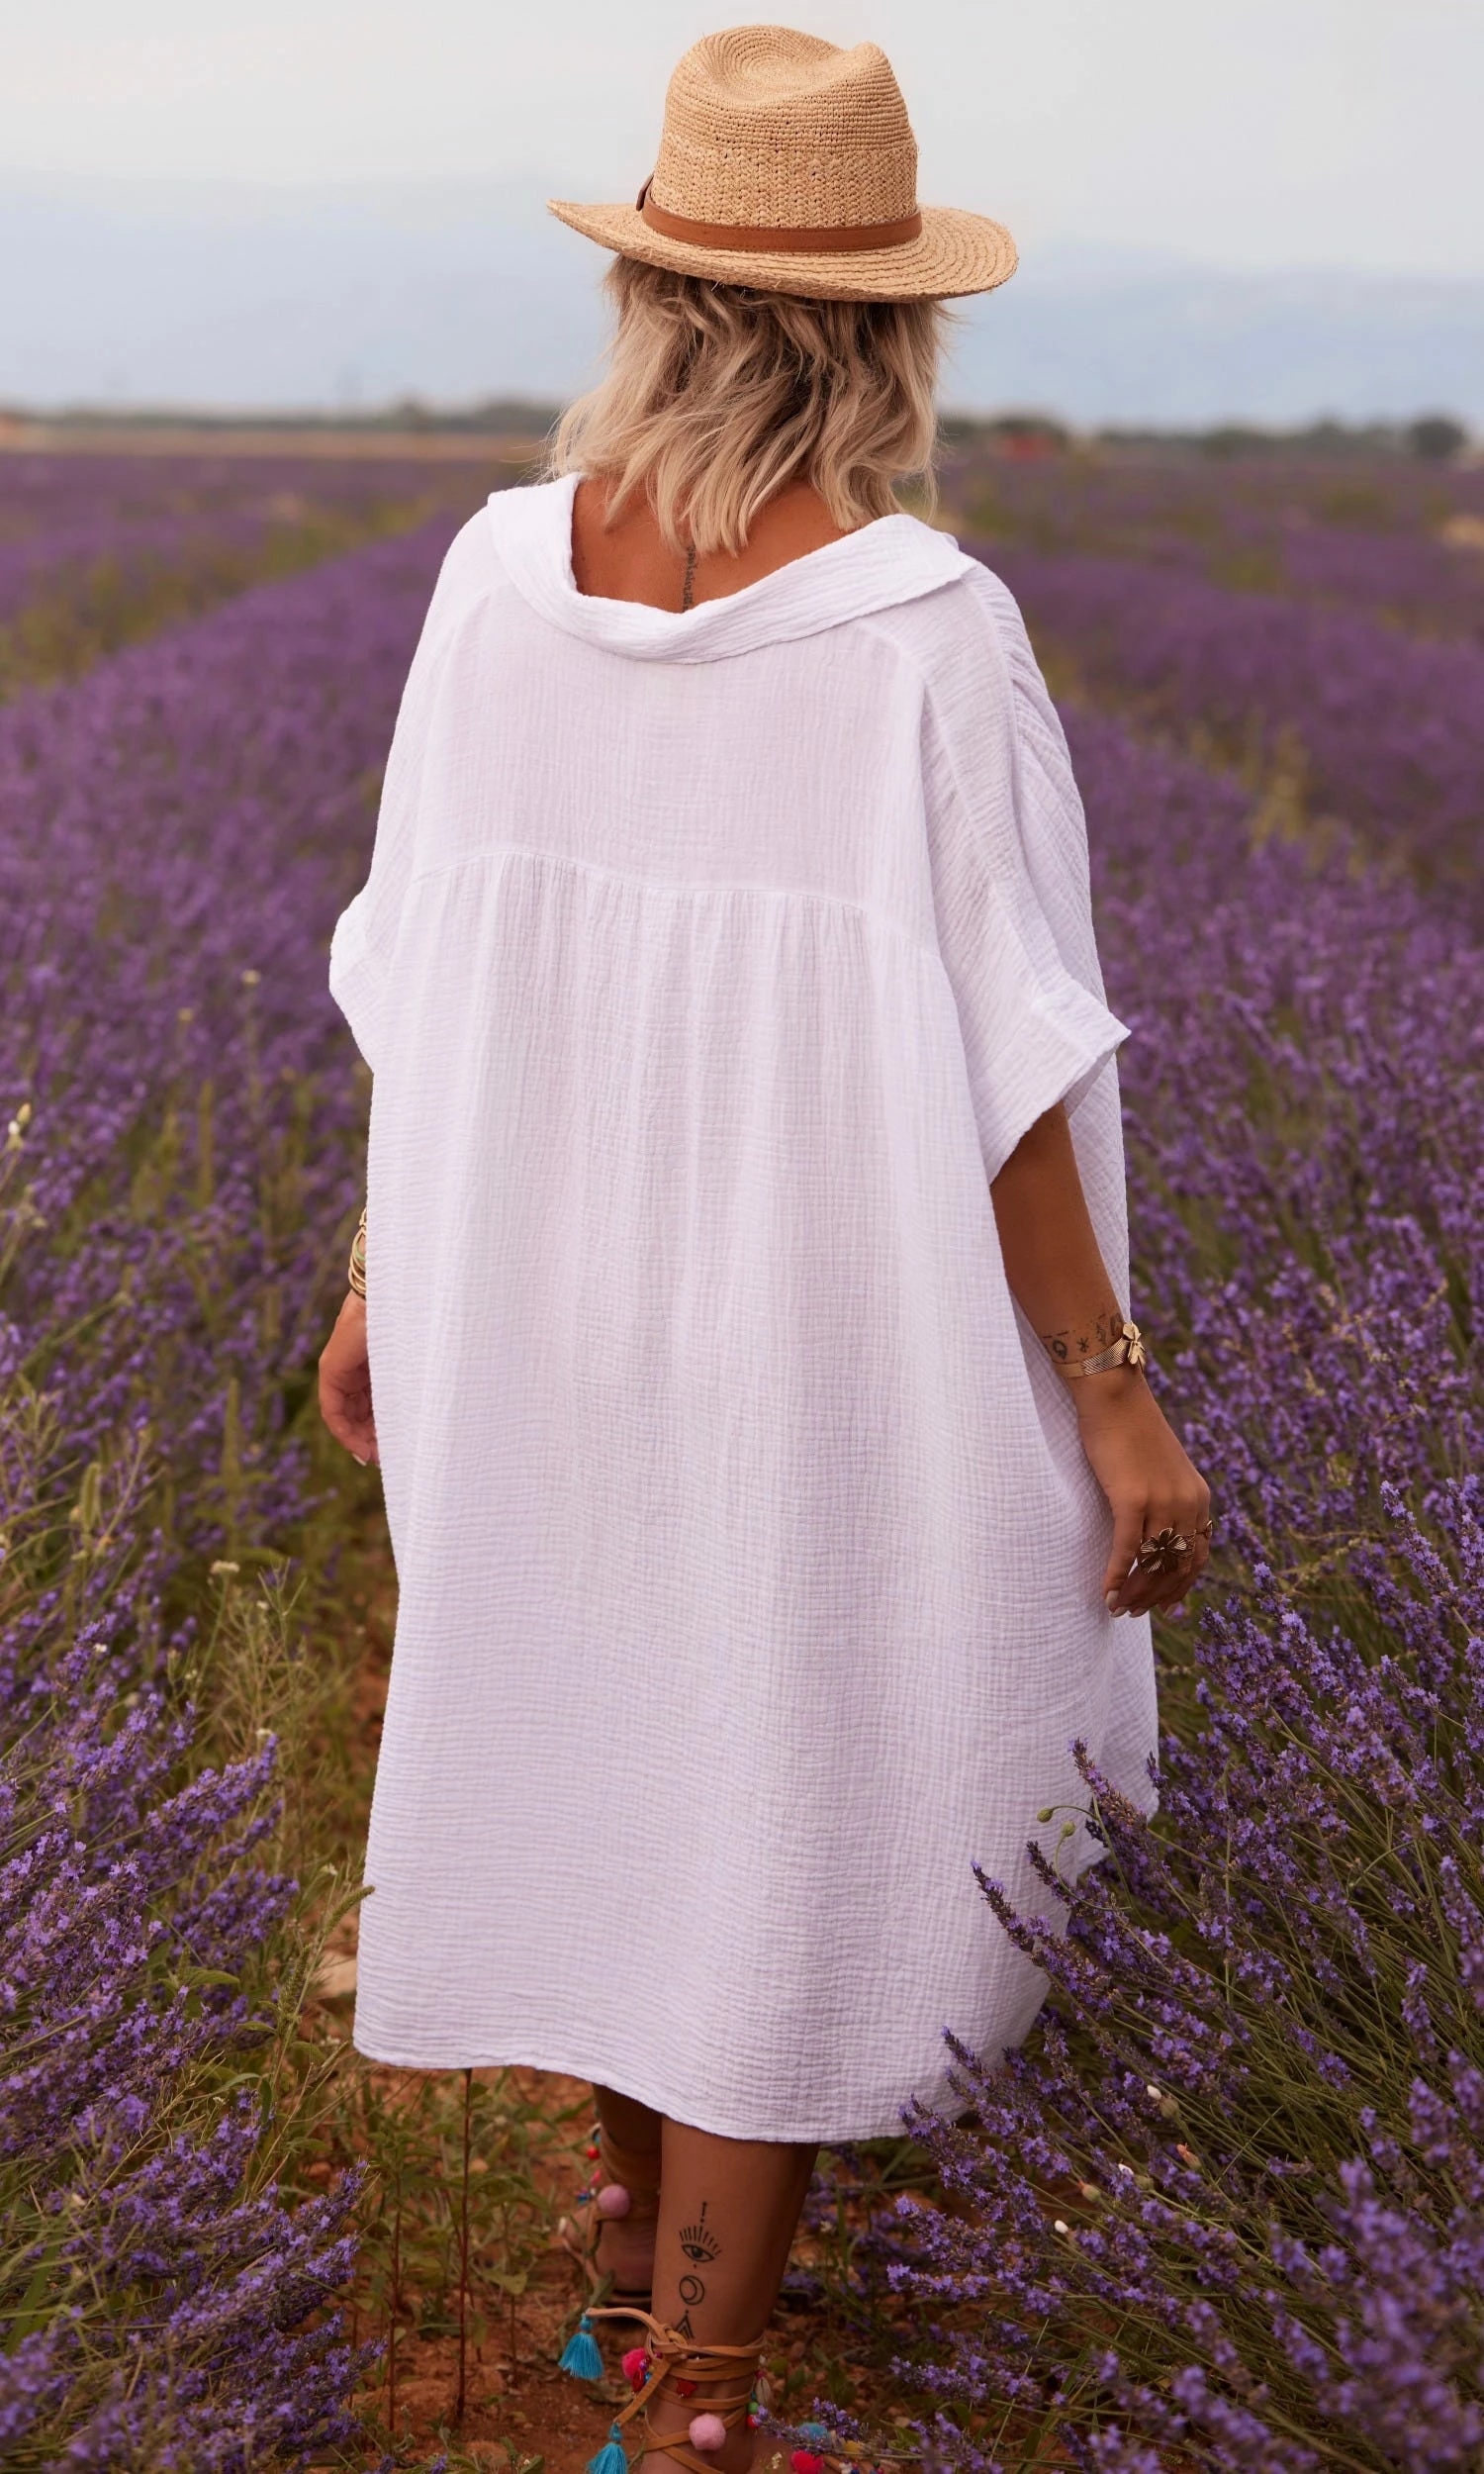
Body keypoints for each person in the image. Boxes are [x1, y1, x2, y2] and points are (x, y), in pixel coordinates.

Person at [318, 26, 1210, 2473]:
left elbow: (413, 964)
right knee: (787, 1798)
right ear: (888, 332)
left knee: (613, 1743)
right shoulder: (925, 628)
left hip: (527, 1295)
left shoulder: (493, 578)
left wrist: (384, 1275)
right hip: (815, 1320)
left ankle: (628, 2299)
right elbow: (1012, 1061)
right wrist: (1113, 1389)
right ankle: (704, 2410)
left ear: (648, 302)